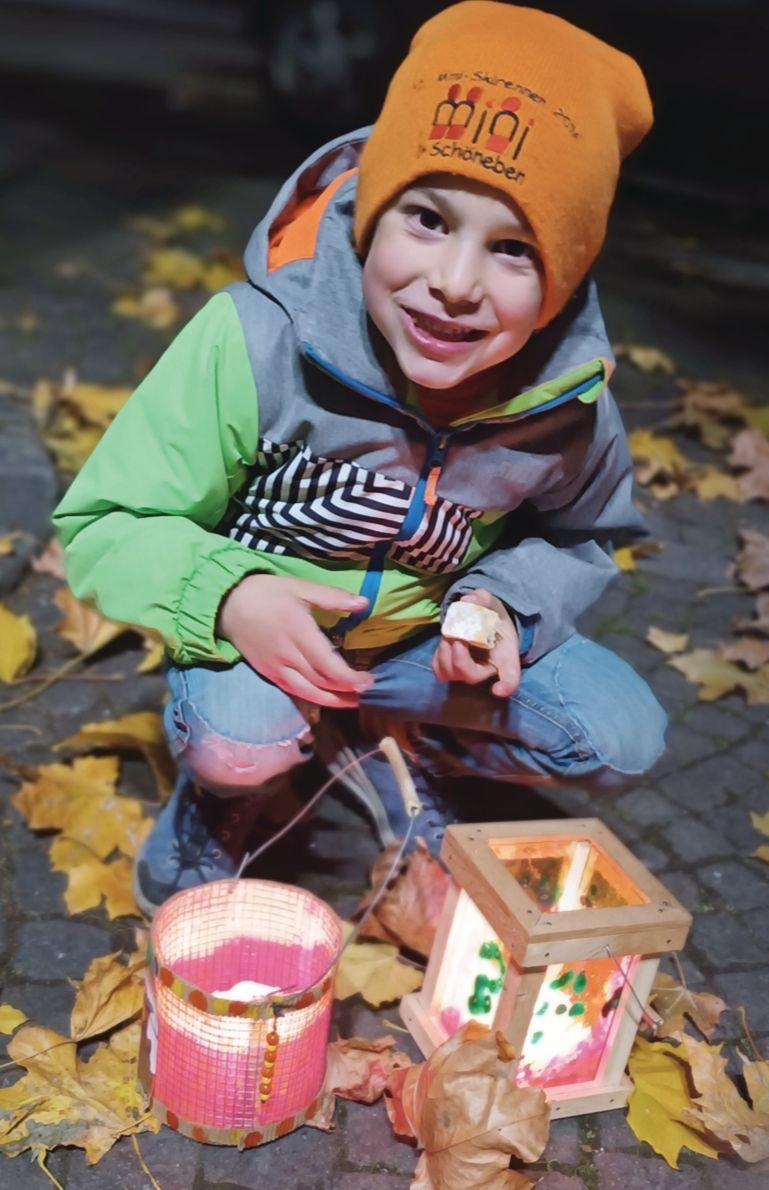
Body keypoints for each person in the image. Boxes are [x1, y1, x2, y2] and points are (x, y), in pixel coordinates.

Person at [51, 0, 668, 916]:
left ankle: (397, 744)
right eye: (425, 219)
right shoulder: (254, 340)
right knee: (240, 743)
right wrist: (230, 594)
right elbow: (103, 526)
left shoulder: (568, 404)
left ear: (563, 279)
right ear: (369, 213)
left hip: (420, 649)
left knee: (620, 738)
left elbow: (581, 538)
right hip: (257, 641)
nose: (454, 283)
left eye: (512, 250)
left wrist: (503, 603)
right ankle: (222, 800)